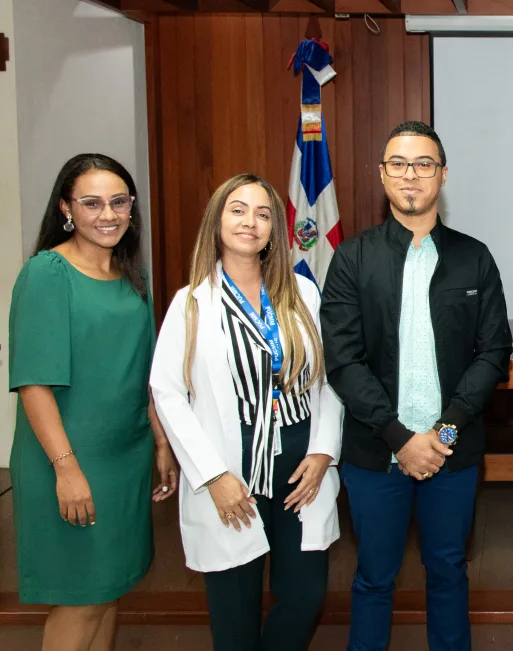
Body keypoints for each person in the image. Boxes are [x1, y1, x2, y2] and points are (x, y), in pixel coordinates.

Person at [321, 121, 513, 651]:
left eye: (424, 164)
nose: (412, 175)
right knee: (374, 577)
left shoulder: (474, 257)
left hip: (453, 450)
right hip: (375, 451)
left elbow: (493, 352)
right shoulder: (351, 260)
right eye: (399, 164)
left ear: (443, 175)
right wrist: (400, 437)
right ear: (382, 175)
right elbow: (343, 359)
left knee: (449, 572)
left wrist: (445, 430)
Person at [149, 174, 343, 651]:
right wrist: (213, 476)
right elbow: (166, 392)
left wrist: (323, 453)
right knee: (234, 615)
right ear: (217, 221)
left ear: (275, 228)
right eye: (238, 210)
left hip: (300, 469)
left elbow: (330, 379)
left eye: (262, 214)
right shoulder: (190, 303)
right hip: (231, 473)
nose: (249, 222)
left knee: (304, 596)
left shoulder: (303, 295)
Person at [8, 153, 178, 651]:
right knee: (80, 599)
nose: (108, 214)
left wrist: (161, 445)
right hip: (66, 459)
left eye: (119, 201)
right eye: (91, 202)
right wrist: (66, 469)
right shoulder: (48, 273)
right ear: (67, 208)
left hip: (124, 461)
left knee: (109, 593)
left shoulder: (134, 278)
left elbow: (147, 377)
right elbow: (34, 384)